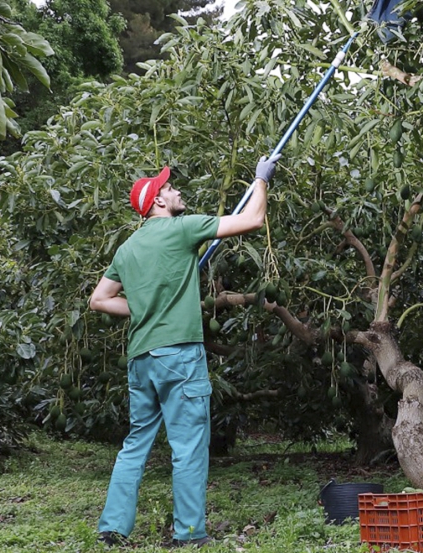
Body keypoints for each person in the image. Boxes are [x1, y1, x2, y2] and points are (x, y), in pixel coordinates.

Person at [89, 154, 281, 547]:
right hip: (178, 356)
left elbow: (99, 300)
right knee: (189, 446)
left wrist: (143, 307)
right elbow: (252, 220)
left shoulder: (127, 249)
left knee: (136, 443)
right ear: (158, 202)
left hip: (142, 359)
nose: (176, 191)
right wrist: (261, 180)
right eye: (169, 188)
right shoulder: (181, 229)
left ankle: (112, 528)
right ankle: (190, 534)